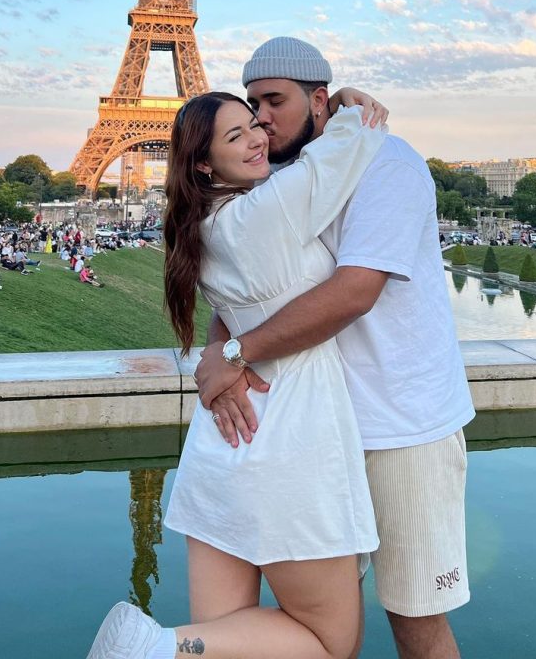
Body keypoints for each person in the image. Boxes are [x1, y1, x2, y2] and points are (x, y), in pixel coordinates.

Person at [194, 38, 475, 659]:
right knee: (321, 627)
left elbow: (354, 293)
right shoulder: (285, 181)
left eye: (274, 101)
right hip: (317, 431)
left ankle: (172, 647)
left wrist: (235, 355)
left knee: (415, 620)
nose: (261, 118)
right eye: (252, 104)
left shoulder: (387, 163)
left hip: (403, 428)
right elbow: (247, 289)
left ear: (319, 100)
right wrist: (219, 348)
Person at [87, 92, 386, 659]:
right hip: (290, 435)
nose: (256, 138)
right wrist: (343, 103)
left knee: (229, 646)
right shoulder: (262, 210)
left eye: (255, 125)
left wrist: (221, 352)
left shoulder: (201, 226)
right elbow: (347, 147)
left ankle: (168, 647)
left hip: (223, 444)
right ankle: (162, 648)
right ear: (203, 163)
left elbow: (231, 316)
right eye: (235, 136)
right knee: (332, 642)